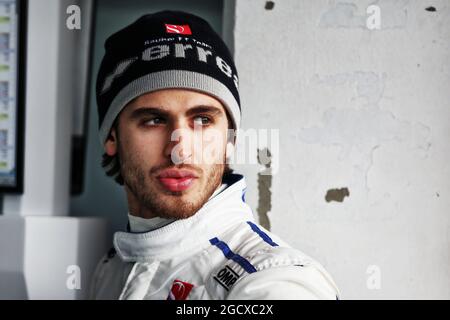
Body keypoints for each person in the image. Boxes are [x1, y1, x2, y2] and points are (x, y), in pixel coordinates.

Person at [90, 10, 340, 300]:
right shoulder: (110, 269)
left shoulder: (274, 280)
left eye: (202, 120)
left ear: (229, 138)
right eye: (154, 120)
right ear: (112, 136)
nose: (180, 150)